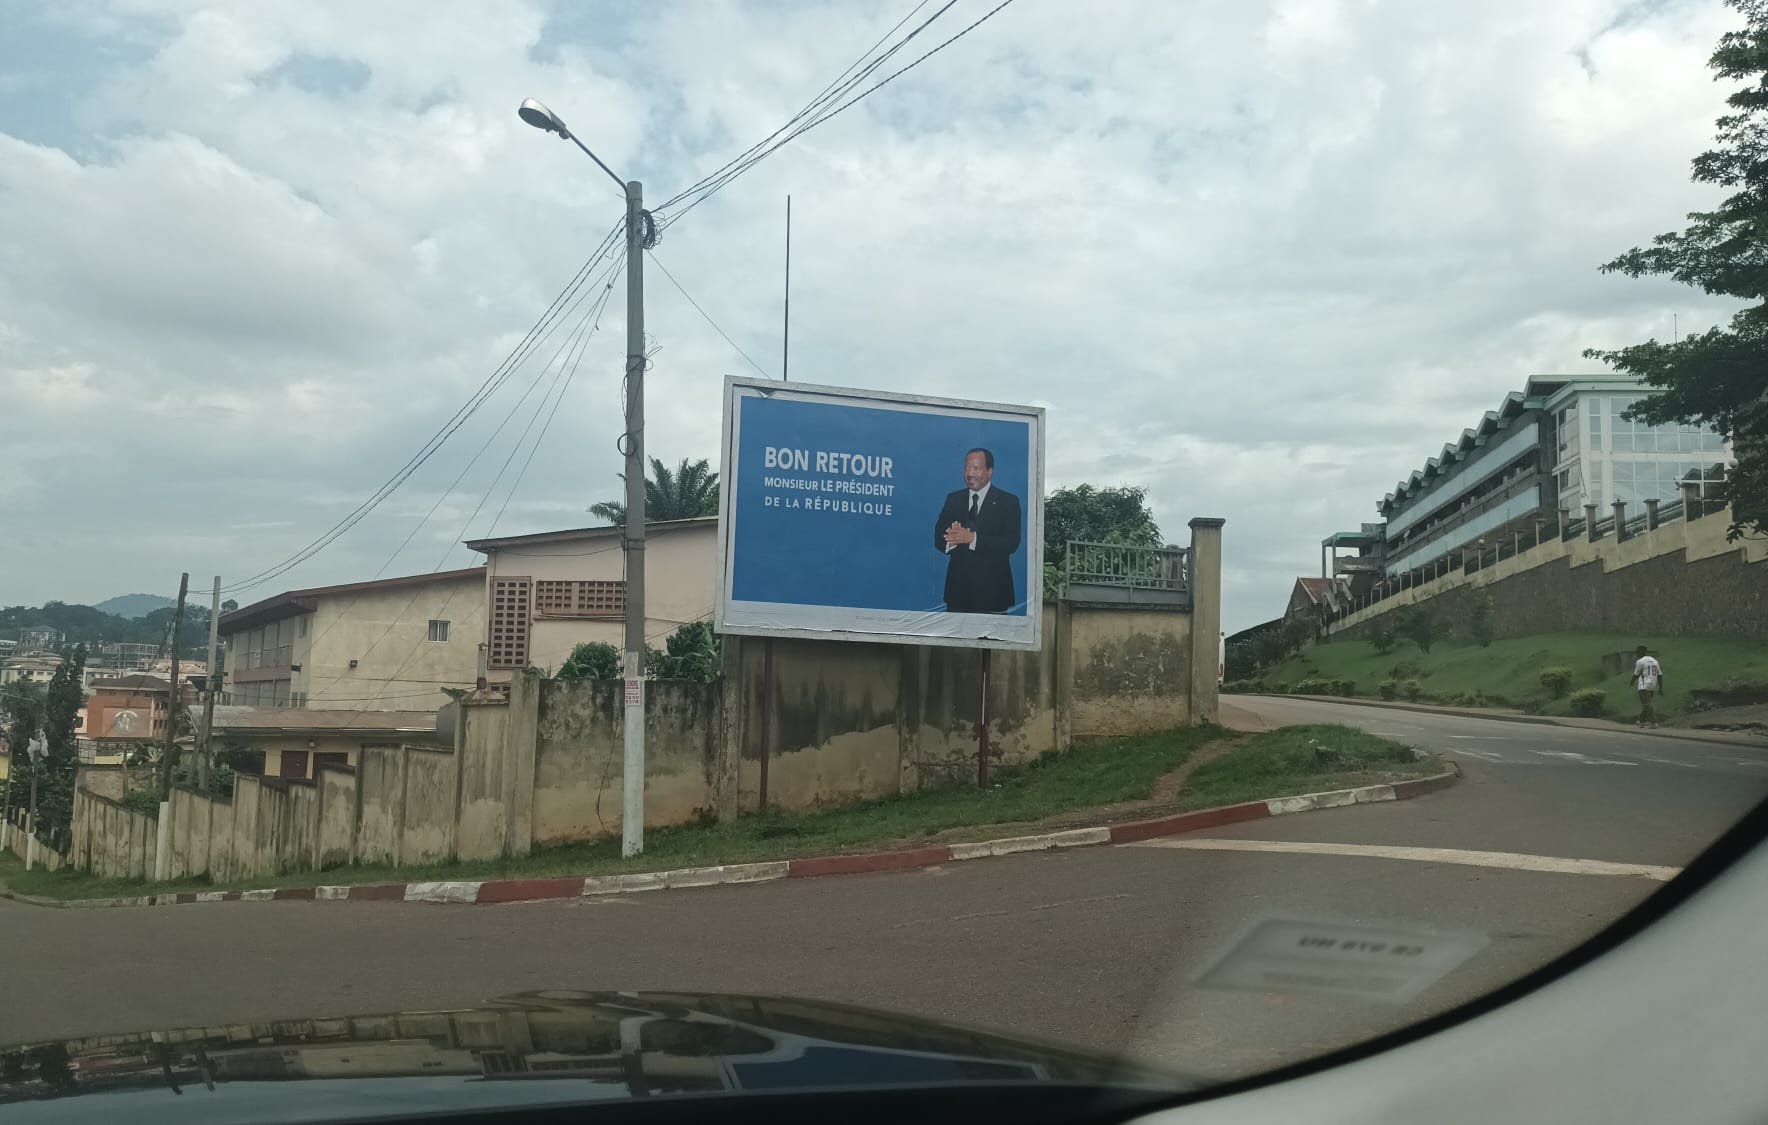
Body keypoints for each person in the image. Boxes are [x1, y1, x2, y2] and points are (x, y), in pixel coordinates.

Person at [933, 447, 1022, 613]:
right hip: (957, 594)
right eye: (966, 468)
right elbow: (938, 538)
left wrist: (972, 538)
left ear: (990, 472)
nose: (969, 473)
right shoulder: (954, 499)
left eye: (976, 468)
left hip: (994, 594)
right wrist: (952, 540)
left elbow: (1011, 543)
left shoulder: (1008, 502)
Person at [1632, 645, 1664, 729]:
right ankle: (1641, 721)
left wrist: (1631, 682)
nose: (1636, 654)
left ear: (1643, 652)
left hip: (1643, 685)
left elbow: (1636, 674)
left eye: (1637, 652)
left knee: (1647, 704)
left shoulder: (1640, 661)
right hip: (1652, 685)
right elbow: (1659, 675)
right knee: (1646, 704)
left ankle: (1654, 723)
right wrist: (1660, 688)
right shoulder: (1655, 661)